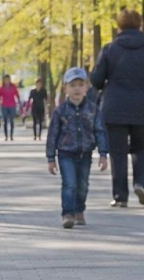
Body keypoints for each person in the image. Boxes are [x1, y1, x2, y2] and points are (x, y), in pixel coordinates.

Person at [91, 9, 144, 208]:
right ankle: (140, 183)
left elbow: (96, 80)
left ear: (119, 26)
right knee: (142, 147)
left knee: (117, 152)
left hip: (114, 107)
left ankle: (120, 196)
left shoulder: (109, 49)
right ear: (140, 25)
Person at [46, 68, 109, 229]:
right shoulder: (60, 111)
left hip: (85, 153)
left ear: (86, 87)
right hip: (66, 153)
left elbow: (100, 131)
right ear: (65, 88)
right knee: (69, 184)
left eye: (80, 85)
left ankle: (79, 210)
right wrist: (51, 158)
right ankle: (68, 213)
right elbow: (53, 135)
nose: (76, 89)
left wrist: (103, 154)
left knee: (82, 185)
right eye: (72, 85)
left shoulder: (93, 110)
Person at [0, 74, 21, 141]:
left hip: (12, 105)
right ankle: (6, 135)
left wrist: (19, 101)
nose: (7, 81)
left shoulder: (13, 87)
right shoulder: (1, 88)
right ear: (4, 80)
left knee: (11, 120)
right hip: (4, 105)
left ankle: (11, 135)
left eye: (8, 79)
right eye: (5, 80)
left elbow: (17, 94)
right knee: (5, 121)